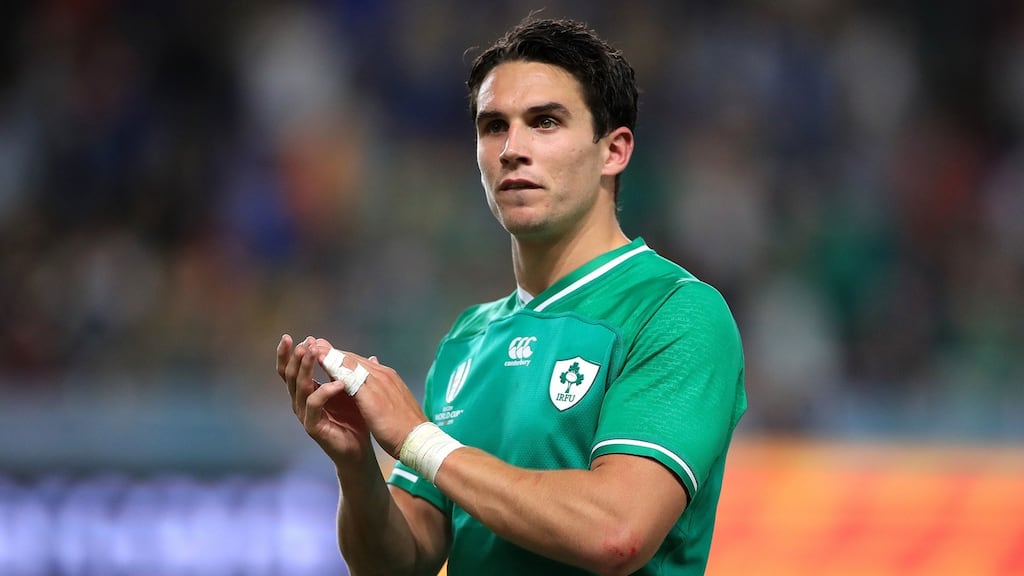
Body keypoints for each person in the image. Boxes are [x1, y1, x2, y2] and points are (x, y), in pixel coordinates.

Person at [277, 17, 746, 576]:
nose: (511, 149)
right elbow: (400, 565)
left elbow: (616, 532)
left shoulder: (676, 312)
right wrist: (357, 467)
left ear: (614, 151)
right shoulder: (468, 338)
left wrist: (417, 438)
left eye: (545, 122)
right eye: (493, 126)